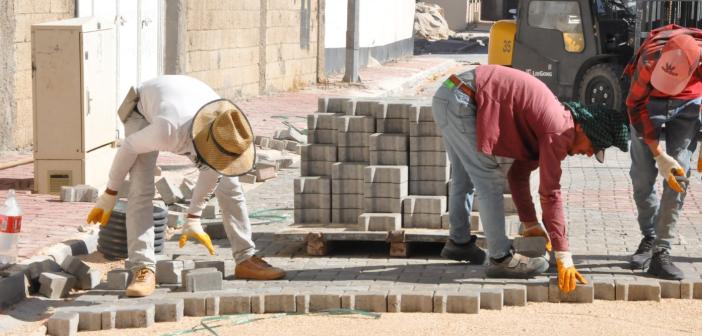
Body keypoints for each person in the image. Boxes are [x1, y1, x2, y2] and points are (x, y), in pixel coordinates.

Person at [433, 64, 629, 293]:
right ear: (584, 129)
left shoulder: (550, 124)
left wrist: (531, 223)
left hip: (451, 93)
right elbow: (550, 193)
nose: (587, 154)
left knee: (463, 177)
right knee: (489, 180)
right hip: (461, 98)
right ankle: (500, 259)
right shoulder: (557, 130)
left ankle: (459, 243)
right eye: (593, 147)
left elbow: (517, 176)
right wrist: (563, 252)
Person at [86, 75, 285, 297]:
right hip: (142, 110)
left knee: (230, 186)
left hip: (189, 101)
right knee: (141, 189)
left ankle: (245, 258)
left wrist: (193, 217)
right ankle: (143, 267)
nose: (216, 163)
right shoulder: (167, 131)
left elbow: (214, 172)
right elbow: (130, 147)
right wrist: (111, 192)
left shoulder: (224, 127)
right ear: (203, 147)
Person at [623, 24, 702, 280]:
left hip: (689, 102)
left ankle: (661, 252)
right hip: (649, 103)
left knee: (678, 175)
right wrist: (658, 154)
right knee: (643, 176)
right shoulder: (649, 60)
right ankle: (650, 236)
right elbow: (634, 105)